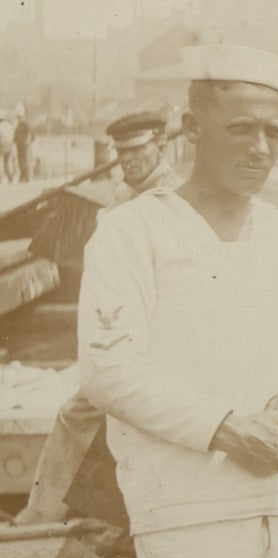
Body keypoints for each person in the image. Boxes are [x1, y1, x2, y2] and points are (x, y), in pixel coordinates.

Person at [78, 45, 278, 558]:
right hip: (187, 509)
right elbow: (107, 365)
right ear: (191, 128)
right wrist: (222, 426)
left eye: (275, 132)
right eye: (243, 127)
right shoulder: (131, 232)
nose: (262, 146)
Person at [9, 112, 182, 528]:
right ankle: (53, 512)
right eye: (122, 152)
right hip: (127, 334)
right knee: (86, 415)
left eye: (137, 151)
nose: (128, 160)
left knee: (82, 414)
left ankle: (43, 514)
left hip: (160, 336)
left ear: (161, 146)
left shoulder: (172, 199)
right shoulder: (128, 195)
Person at [13, 108, 32, 182]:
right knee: (21, 161)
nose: (17, 118)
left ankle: (25, 177)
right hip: (20, 144)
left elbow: (28, 132)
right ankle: (23, 177)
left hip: (22, 144)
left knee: (22, 161)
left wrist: (26, 140)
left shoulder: (23, 123)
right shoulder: (20, 123)